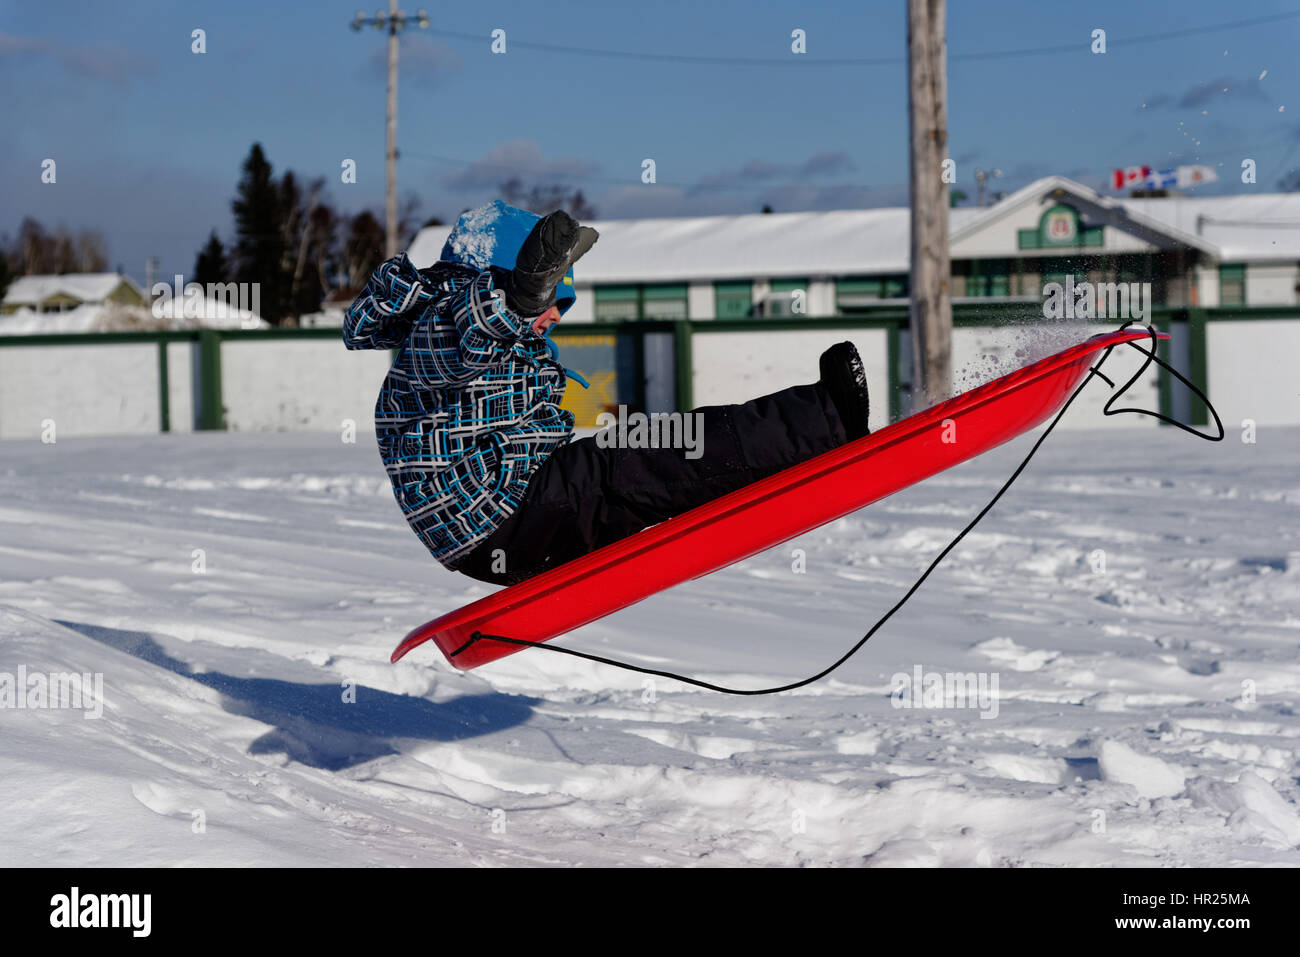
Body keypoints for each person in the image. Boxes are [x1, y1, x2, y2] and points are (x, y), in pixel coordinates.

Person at [344, 201, 871, 587]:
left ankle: (791, 443)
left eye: (560, 303)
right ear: (497, 283)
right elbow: (461, 336)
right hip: (504, 520)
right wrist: (520, 300)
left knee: (659, 449)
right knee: (657, 453)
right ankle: (823, 424)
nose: (553, 316)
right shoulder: (441, 332)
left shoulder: (463, 332)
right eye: (550, 298)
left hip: (514, 514)